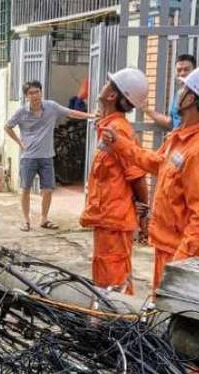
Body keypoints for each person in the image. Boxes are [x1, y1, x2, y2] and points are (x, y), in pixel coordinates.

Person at [101, 61, 199, 290]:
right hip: (167, 246)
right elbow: (156, 163)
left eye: (184, 89)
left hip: (179, 255)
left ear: (191, 99)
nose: (179, 93)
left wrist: (179, 268)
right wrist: (120, 144)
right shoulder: (181, 137)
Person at [80, 68, 150, 295]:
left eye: (108, 82)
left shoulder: (119, 131)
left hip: (115, 220)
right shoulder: (108, 127)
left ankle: (117, 324)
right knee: (106, 277)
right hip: (108, 219)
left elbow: (137, 176)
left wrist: (143, 211)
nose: (104, 84)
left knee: (113, 280)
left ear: (112, 96)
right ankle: (110, 321)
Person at [5, 81, 97, 232]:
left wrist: (91, 116)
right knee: (25, 189)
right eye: (31, 93)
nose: (35, 96)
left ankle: (44, 219)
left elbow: (70, 112)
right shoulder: (21, 112)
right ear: (26, 96)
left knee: (47, 189)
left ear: (41, 92)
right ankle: (26, 220)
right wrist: (19, 142)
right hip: (28, 157)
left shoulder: (51, 107)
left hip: (47, 156)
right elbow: (7, 126)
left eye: (37, 92)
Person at [143, 54, 196, 131]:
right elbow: (171, 122)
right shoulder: (179, 94)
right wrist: (146, 109)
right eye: (179, 70)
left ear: (195, 71)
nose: (182, 73)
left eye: (186, 69)